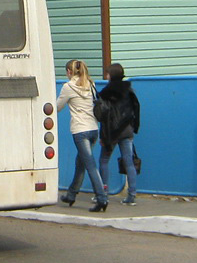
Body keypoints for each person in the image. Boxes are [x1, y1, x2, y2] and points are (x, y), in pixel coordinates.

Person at [56, 59, 108, 212]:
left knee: (90, 164)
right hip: (93, 129)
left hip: (80, 131)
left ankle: (102, 199)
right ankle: (71, 195)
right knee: (81, 163)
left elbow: (58, 107)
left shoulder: (68, 87)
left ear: (70, 72)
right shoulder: (90, 84)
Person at [97, 63, 141, 205]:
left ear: (112, 75)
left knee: (104, 160)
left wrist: (102, 136)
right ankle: (132, 195)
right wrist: (135, 126)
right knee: (129, 162)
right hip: (127, 131)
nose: (106, 75)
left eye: (108, 73)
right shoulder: (129, 89)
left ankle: (103, 193)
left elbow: (104, 116)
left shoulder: (106, 92)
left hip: (111, 133)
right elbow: (136, 107)